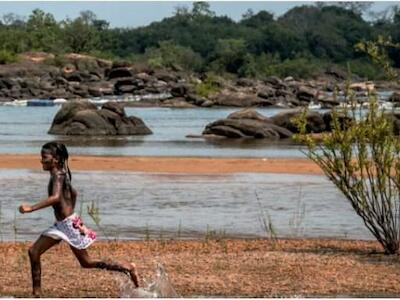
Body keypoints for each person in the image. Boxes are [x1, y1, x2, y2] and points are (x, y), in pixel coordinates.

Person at [19, 141, 139, 297]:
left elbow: (55, 197)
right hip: (63, 225)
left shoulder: (57, 175)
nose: (41, 160)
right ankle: (37, 293)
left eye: (44, 157)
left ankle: (128, 268)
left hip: (68, 225)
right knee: (33, 251)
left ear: (55, 159)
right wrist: (70, 211)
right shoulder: (61, 174)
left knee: (87, 262)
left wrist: (31, 208)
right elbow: (73, 193)